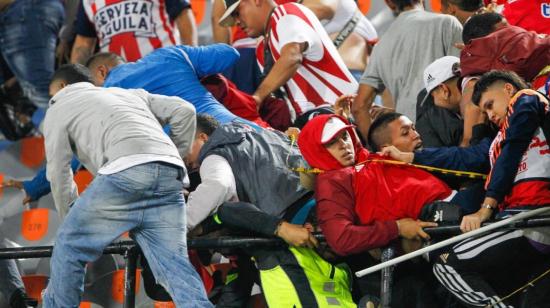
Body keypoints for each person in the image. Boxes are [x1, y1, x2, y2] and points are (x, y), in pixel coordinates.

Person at [40, 64, 211, 307]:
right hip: (169, 175)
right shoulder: (126, 93)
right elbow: (185, 110)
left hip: (124, 172)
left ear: (62, 87)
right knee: (175, 267)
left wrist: (71, 219)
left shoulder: (60, 105)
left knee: (69, 247)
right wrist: (174, 154)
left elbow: (58, 171)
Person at [186, 114, 357, 307]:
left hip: (295, 224)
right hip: (328, 205)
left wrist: (181, 223)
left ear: (203, 138)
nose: (184, 156)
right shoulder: (267, 134)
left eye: (185, 145)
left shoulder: (214, 154)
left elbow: (218, 185)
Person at [434, 70, 550, 307]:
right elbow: (462, 159)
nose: (489, 115)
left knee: (447, 263)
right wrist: (412, 156)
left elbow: (513, 149)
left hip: (533, 216)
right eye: (484, 111)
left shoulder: (526, 98)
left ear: (508, 89)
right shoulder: (497, 141)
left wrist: (486, 207)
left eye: (490, 105)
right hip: (517, 220)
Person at [218, 0, 357, 116]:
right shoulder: (262, 50)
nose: (236, 22)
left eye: (237, 13)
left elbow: (292, 56)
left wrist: (257, 98)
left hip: (346, 113)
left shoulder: (286, 13)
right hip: (319, 124)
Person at [352, 0, 462, 140]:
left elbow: (359, 107)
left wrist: (377, 148)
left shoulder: (381, 46)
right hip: (452, 135)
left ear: (389, 3)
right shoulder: (447, 23)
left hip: (408, 139)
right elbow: (464, 83)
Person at [71, 0, 198, 64]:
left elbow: (183, 15)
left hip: (163, 68)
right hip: (116, 83)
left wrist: (191, 61)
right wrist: (76, 86)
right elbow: (83, 43)